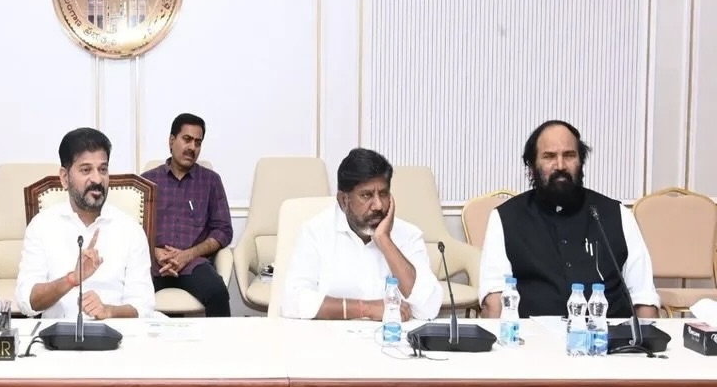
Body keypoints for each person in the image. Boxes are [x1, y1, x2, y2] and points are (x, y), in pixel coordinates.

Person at [478, 120, 659, 319]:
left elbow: (644, 298)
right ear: (531, 166)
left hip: (609, 342)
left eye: (569, 155)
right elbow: (494, 301)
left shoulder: (616, 214)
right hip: (532, 343)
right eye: (549, 157)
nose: (561, 165)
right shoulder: (505, 218)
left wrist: (644, 346)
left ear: (581, 162)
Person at [281, 148, 442, 321]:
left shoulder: (408, 235)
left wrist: (385, 241)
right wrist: (367, 309)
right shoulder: (316, 232)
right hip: (331, 340)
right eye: (366, 195)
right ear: (344, 200)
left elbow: (429, 308)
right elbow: (292, 301)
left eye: (384, 194)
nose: (378, 205)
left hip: (392, 340)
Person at [16, 127, 155, 320]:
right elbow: (27, 302)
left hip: (117, 338)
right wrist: (71, 279)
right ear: (65, 177)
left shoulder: (130, 229)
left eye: (103, 169)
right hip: (58, 341)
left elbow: (143, 306)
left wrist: (109, 311)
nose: (97, 179)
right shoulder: (42, 226)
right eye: (86, 170)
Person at [141, 113, 233, 316]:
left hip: (193, 263)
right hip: (153, 264)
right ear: (172, 141)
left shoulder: (211, 181)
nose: (192, 147)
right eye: (187, 139)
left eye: (198, 142)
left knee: (217, 292)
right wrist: (155, 251)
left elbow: (224, 230)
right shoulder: (147, 181)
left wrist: (187, 255)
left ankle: (222, 347)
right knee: (127, 296)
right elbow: (135, 227)